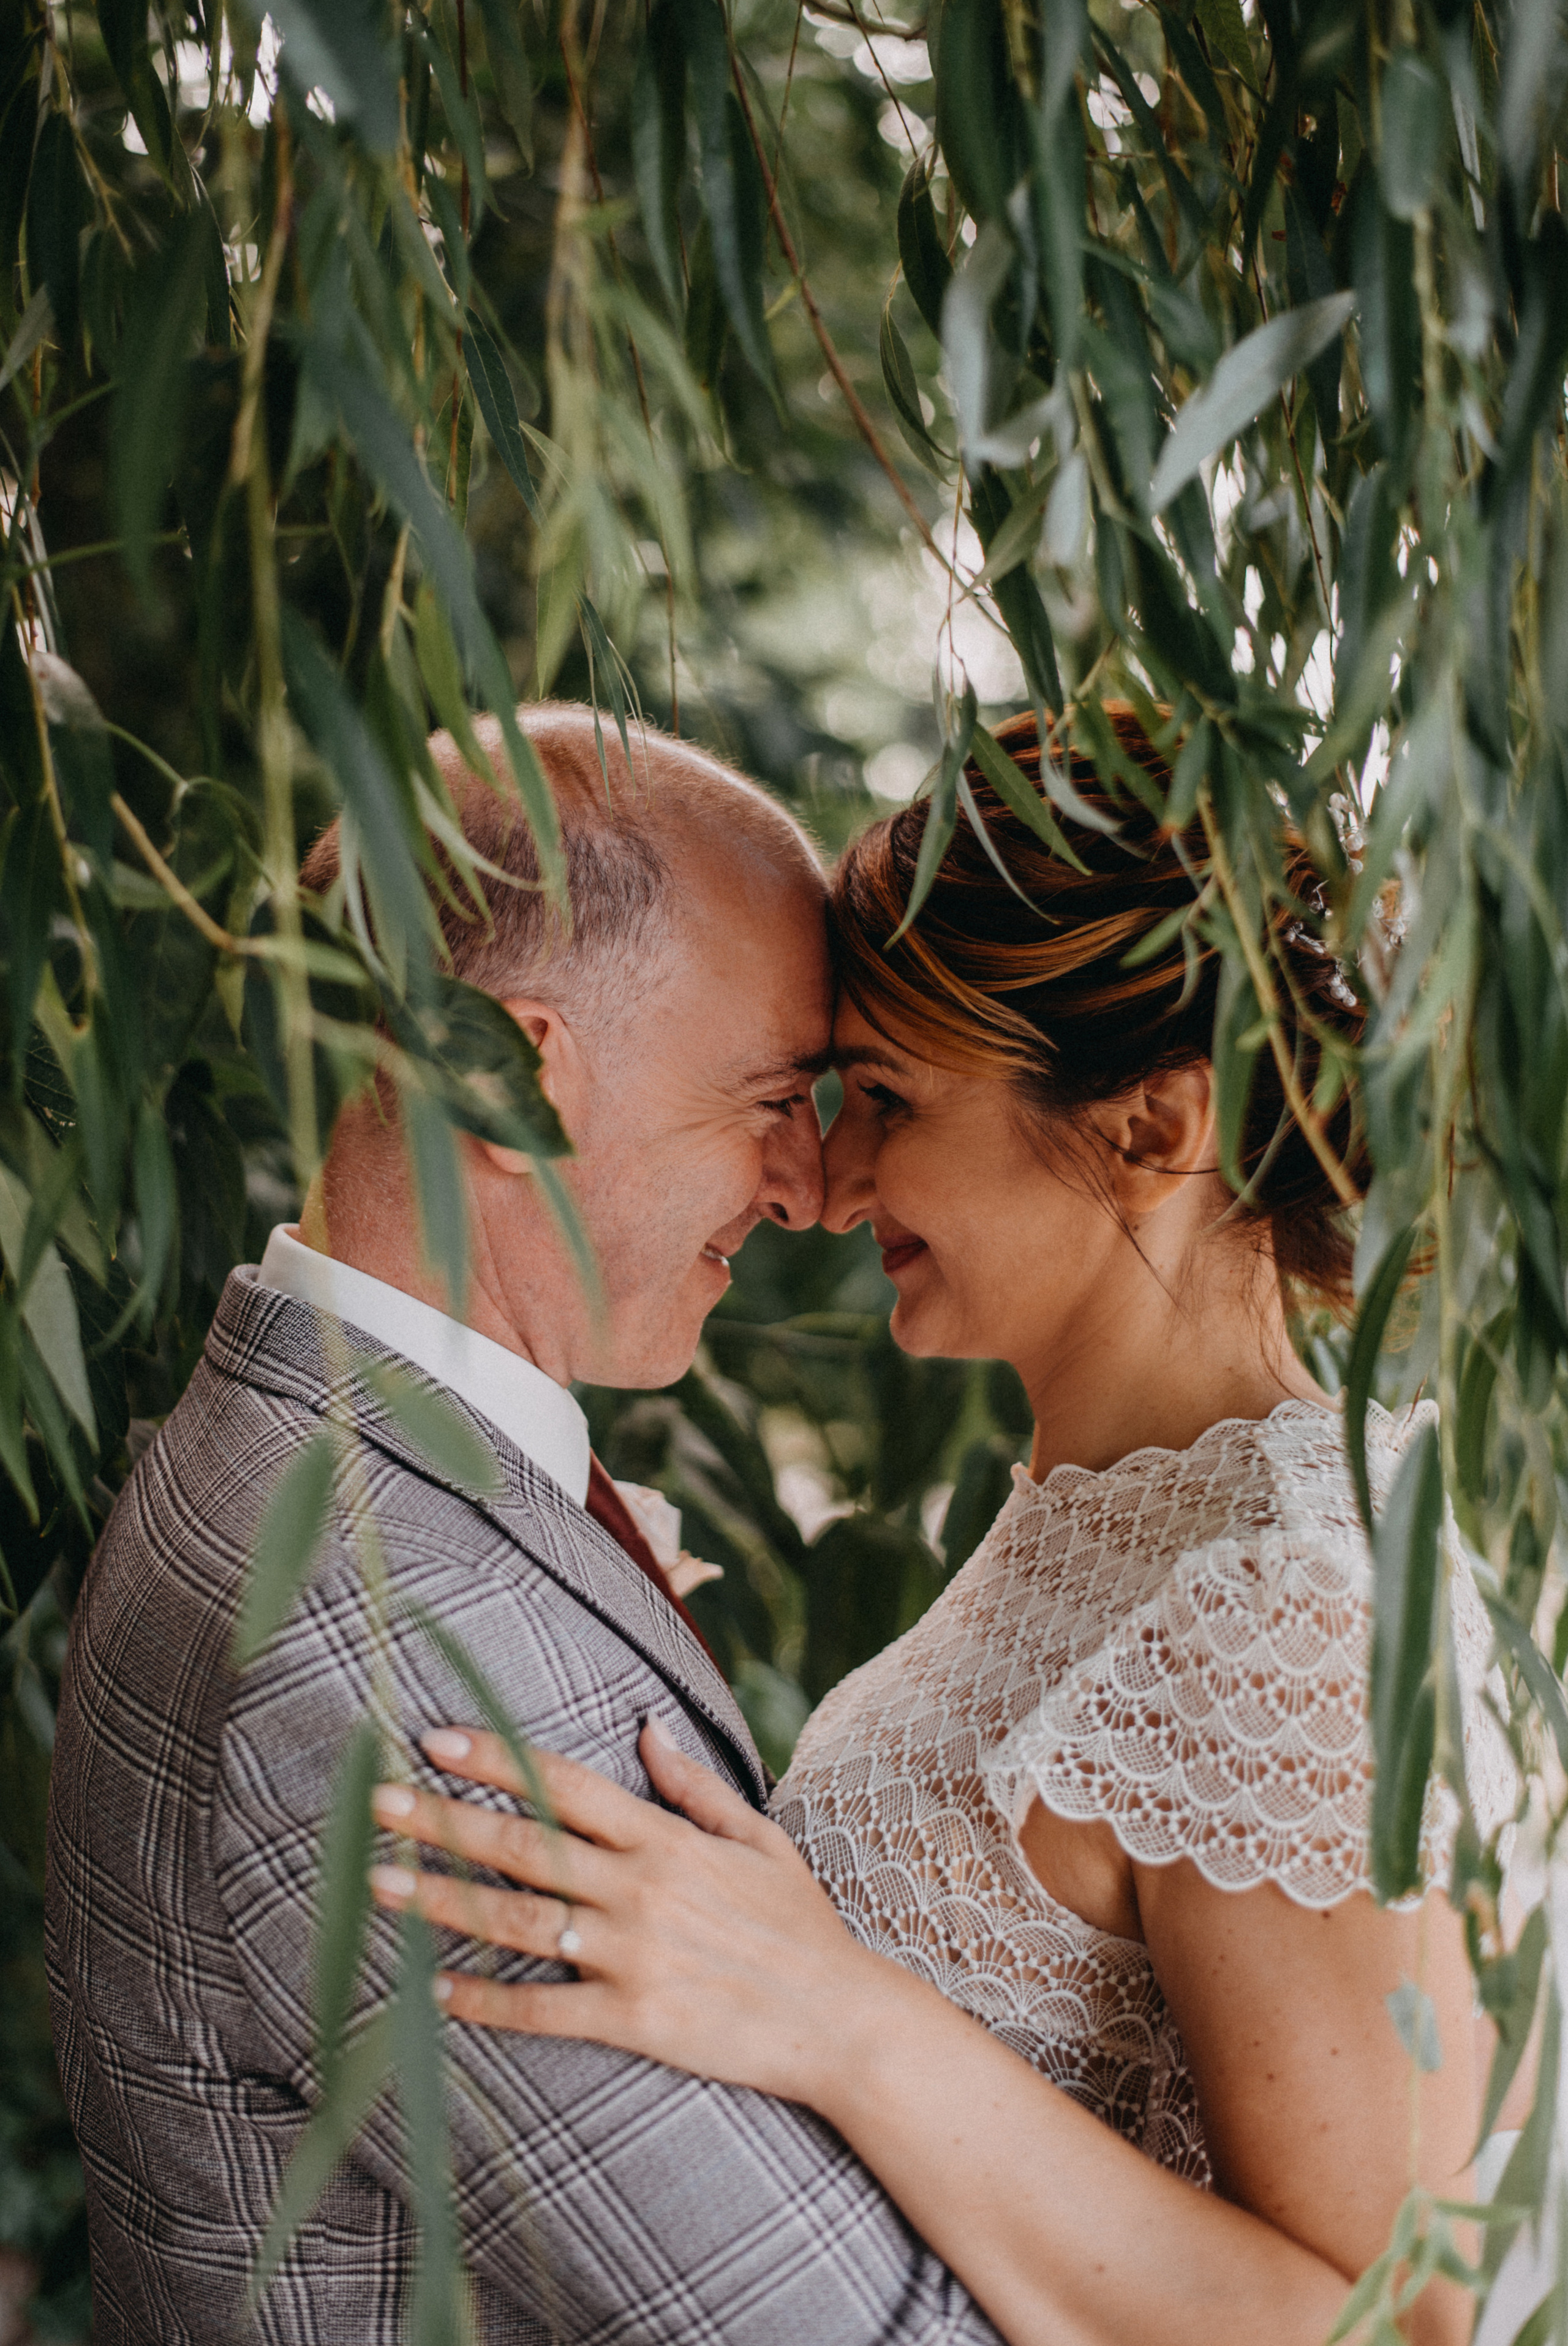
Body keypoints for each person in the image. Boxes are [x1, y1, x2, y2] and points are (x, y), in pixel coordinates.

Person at [370, 708, 1518, 2346]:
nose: (826, 1187)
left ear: (1151, 1129)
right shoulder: (1114, 1502)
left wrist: (847, 2022)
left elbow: (1396, 2324)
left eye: (888, 1103)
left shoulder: (1292, 1605)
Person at [45, 706, 1007, 2345]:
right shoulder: (386, 1653)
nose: (806, 1185)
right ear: (510, 1077)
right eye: (775, 1094)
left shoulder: (329, 1472)